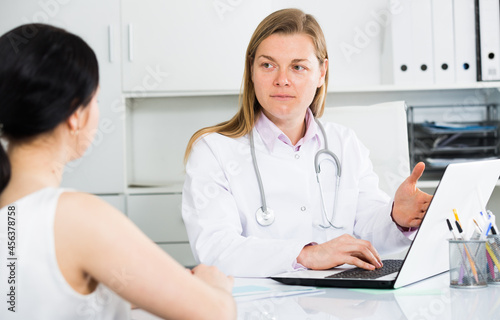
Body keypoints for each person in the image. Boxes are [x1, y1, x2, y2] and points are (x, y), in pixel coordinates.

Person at [0, 24, 236, 319]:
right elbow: (215, 313)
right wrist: (214, 286)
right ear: (75, 115)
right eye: (95, 100)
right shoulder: (74, 216)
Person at [182, 8, 432, 277]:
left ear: (321, 72)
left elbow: (368, 227)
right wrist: (306, 255)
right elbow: (216, 250)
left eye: (298, 67)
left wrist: (397, 217)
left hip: (341, 302)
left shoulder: (344, 143)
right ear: (252, 71)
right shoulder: (213, 150)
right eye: (268, 65)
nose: (282, 80)